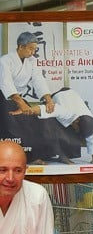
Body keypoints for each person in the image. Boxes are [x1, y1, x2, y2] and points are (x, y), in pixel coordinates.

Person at [0, 31, 64, 163]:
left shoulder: (32, 61)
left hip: (18, 98)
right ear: (20, 46)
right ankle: (15, 158)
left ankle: (35, 155)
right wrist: (21, 103)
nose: (32, 52)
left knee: (35, 121)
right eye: (30, 48)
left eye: (35, 49)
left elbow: (38, 80)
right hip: (4, 97)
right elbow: (6, 83)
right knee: (13, 124)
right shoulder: (5, 60)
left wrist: (49, 99)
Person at [22, 87, 93, 164]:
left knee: (73, 137)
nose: (77, 131)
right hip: (59, 97)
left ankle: (63, 154)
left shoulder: (89, 121)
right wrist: (29, 110)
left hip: (72, 98)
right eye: (77, 129)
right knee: (45, 126)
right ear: (77, 120)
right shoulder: (64, 111)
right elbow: (44, 110)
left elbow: (92, 138)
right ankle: (45, 156)